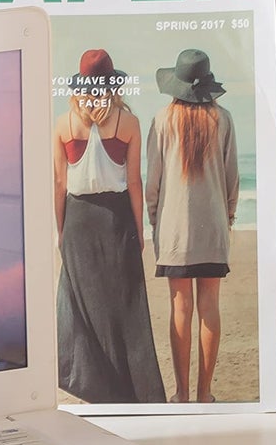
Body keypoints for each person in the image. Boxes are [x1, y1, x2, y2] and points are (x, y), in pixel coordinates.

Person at [53, 49, 165, 404]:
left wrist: (60, 230)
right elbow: (133, 182)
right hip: (116, 219)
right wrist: (140, 229)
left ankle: (94, 386)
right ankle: (134, 391)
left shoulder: (64, 124)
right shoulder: (127, 123)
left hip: (78, 219)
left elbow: (59, 183)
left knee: (80, 305)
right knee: (124, 307)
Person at [146, 49, 239, 405]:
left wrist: (156, 221)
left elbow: (153, 181)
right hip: (213, 226)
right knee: (210, 306)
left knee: (180, 308)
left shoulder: (162, 119)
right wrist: (228, 219)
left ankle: (181, 393)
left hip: (174, 230)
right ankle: (205, 393)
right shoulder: (223, 119)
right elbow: (232, 179)